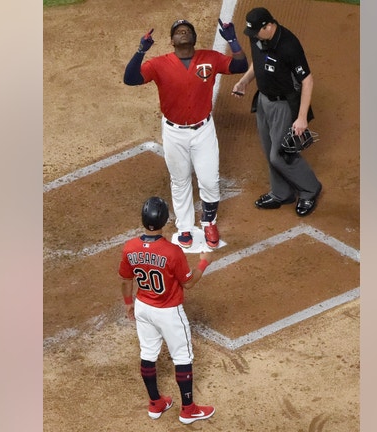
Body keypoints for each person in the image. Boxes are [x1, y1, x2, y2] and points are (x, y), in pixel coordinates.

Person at [124, 19, 248, 248]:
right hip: (174, 133)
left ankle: (209, 221)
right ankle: (185, 227)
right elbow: (130, 79)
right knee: (180, 181)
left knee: (210, 180)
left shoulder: (210, 58)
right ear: (172, 41)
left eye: (187, 30)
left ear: (194, 38)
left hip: (203, 130)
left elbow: (240, 66)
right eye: (178, 31)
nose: (183, 32)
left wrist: (232, 39)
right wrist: (141, 50)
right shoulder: (159, 64)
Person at [118, 196, 216, 424]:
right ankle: (188, 410)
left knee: (148, 353)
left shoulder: (129, 247)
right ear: (164, 220)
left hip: (143, 307)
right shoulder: (172, 251)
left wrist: (128, 303)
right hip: (168, 311)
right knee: (182, 356)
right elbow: (188, 283)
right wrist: (204, 262)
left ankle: (155, 403)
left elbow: (125, 280)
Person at [232, 7, 323, 217]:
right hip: (264, 100)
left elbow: (307, 80)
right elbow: (258, 62)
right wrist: (244, 81)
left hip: (284, 104)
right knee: (268, 148)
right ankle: (282, 193)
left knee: (280, 154)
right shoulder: (257, 38)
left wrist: (301, 118)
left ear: (269, 25)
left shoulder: (289, 45)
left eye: (257, 31)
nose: (254, 36)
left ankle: (310, 189)